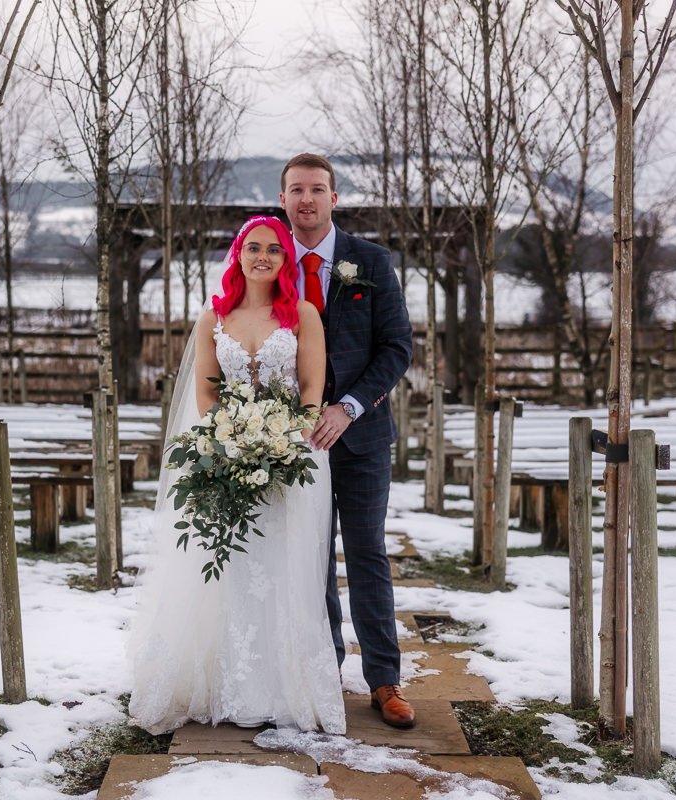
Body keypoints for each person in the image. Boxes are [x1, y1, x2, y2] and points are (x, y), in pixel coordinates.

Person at [128, 215, 345, 735]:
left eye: (273, 248)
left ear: (284, 258)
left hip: (292, 459)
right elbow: (206, 394)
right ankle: (223, 682)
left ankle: (282, 688)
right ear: (238, 255)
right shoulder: (214, 318)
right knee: (231, 571)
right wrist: (229, 442)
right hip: (226, 456)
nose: (264, 256)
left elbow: (312, 389)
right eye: (254, 248)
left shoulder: (303, 315)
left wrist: (282, 441)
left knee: (285, 570)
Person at [279, 152, 416, 728]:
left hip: (360, 438)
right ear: (282, 199)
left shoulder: (371, 262)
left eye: (317, 189)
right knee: (307, 562)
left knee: (366, 557)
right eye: (295, 190)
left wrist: (349, 407)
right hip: (289, 445)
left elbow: (396, 349)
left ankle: (384, 680)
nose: (306, 199)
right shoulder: (268, 259)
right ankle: (322, 674)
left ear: (334, 198)